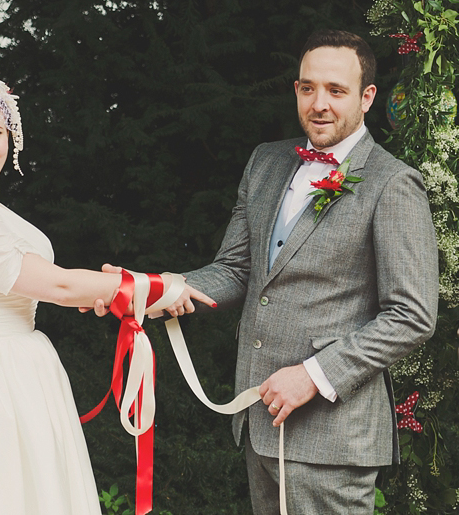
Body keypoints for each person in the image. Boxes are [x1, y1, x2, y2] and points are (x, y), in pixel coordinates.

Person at [94, 30, 439, 515]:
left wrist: (314, 376)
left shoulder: (393, 184)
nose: (319, 103)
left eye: (336, 91)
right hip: (259, 420)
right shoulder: (266, 162)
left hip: (331, 437)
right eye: (307, 88)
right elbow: (237, 270)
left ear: (367, 98)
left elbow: (411, 316)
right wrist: (153, 289)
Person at [0, 67, 212, 515]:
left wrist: (103, 290)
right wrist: (153, 286)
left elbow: (50, 282)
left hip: (15, 371)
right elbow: (59, 285)